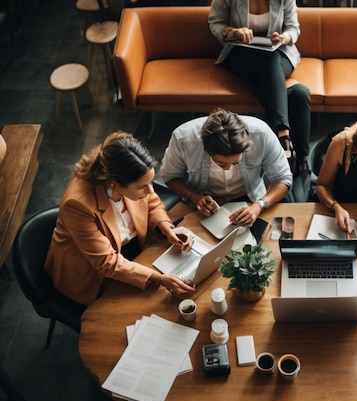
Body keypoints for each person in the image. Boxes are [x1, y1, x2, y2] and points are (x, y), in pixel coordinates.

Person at [45, 132, 196, 307]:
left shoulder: (129, 173)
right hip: (93, 274)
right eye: (142, 187)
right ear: (114, 184)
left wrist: (167, 228)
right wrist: (160, 279)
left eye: (151, 183)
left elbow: (152, 202)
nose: (151, 191)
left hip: (130, 247)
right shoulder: (77, 205)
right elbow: (106, 262)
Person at [208, 0, 311, 175]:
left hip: (279, 54)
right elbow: (215, 24)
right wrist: (233, 31)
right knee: (299, 94)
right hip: (241, 54)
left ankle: (280, 141)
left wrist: (282, 38)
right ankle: (296, 151)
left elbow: (294, 29)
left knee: (271, 62)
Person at [160, 108, 292, 227]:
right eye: (221, 163)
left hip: (251, 199)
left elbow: (284, 178)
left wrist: (259, 205)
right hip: (202, 201)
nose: (227, 169)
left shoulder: (262, 134)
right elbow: (170, 177)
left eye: (235, 163)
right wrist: (193, 197)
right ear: (206, 149)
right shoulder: (183, 139)